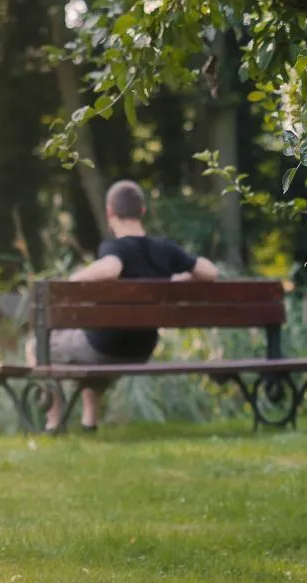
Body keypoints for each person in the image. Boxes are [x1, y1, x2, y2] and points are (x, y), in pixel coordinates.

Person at [31, 180, 219, 432]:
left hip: (105, 347)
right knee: (89, 341)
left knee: (35, 346)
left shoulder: (115, 248)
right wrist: (182, 277)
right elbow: (209, 272)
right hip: (142, 349)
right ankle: (89, 422)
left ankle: (53, 422)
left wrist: (71, 281)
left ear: (110, 213)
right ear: (142, 211)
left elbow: (110, 268)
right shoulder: (166, 249)